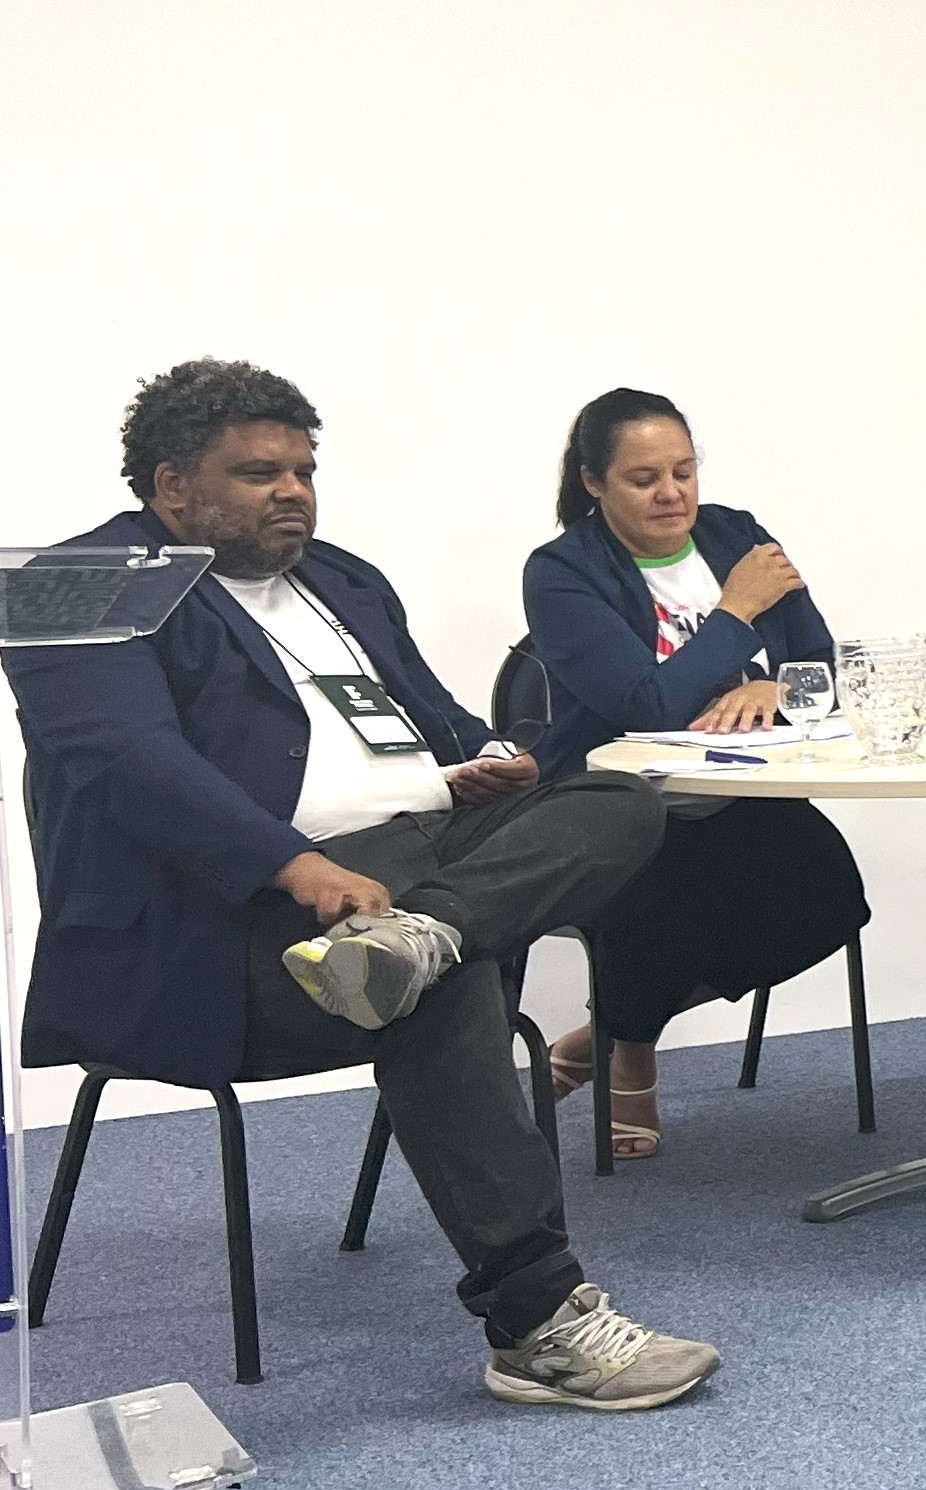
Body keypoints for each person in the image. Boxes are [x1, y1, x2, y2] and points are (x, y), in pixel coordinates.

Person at [5, 360, 717, 1408]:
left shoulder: (340, 578)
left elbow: (439, 720)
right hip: (229, 927)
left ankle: (423, 932)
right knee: (427, 980)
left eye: (304, 470)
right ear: (171, 487)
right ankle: (539, 1323)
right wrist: (297, 864)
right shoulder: (78, 584)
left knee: (620, 801)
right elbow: (128, 764)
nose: (293, 492)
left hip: (413, 873)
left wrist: (492, 759)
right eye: (260, 474)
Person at [518, 388, 871, 1160]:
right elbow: (644, 704)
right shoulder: (561, 572)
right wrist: (735, 614)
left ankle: (598, 1039)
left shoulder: (737, 537)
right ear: (593, 482)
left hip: (737, 787)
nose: (671, 493)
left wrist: (774, 688)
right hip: (619, 802)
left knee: (827, 895)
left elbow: (819, 665)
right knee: (669, 909)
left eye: (684, 471)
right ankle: (633, 1057)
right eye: (644, 478)